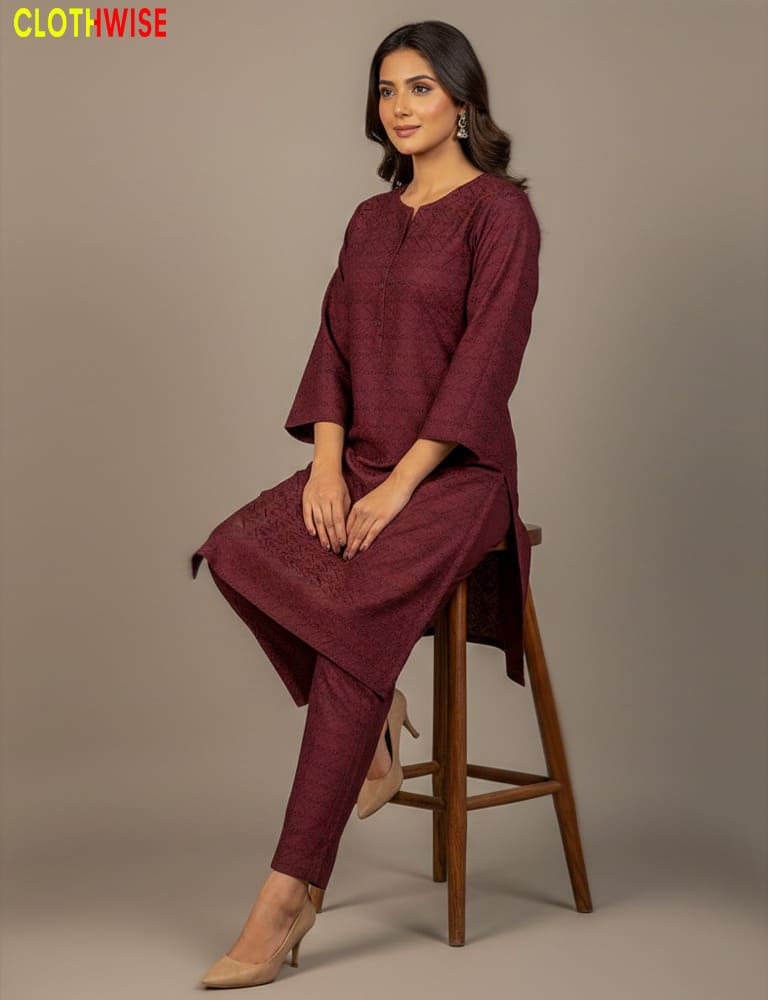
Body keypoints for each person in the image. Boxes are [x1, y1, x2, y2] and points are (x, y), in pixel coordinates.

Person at [191, 19, 541, 988]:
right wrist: (329, 467)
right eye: (388, 89)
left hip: (457, 478)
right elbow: (334, 345)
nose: (401, 105)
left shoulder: (501, 214)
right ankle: (379, 708)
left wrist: (400, 483)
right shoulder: (368, 218)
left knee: (352, 619)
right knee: (232, 549)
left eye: (421, 87)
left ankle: (289, 893)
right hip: (363, 461)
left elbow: (486, 363)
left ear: (463, 101)